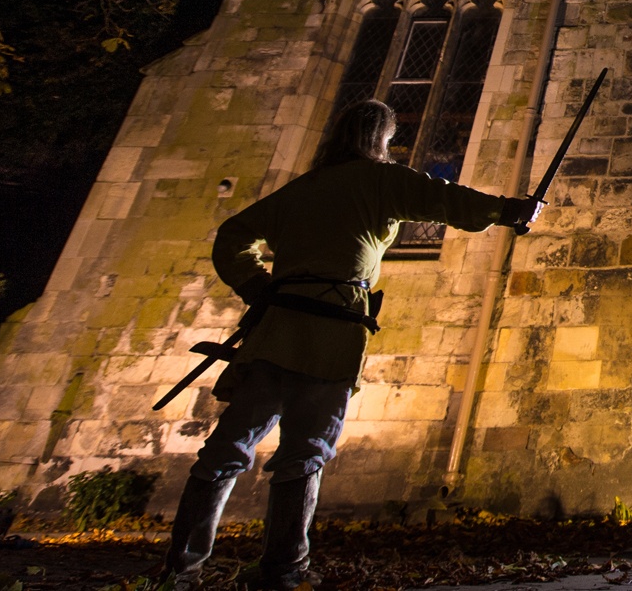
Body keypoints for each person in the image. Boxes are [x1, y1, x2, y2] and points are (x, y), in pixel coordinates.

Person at [162, 100, 540, 590]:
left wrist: (258, 287)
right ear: (380, 139)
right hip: (330, 332)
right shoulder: (379, 181)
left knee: (227, 449)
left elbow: (232, 237)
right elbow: (448, 200)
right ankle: (284, 571)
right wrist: (509, 210)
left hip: (275, 329)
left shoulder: (305, 188)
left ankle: (182, 570)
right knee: (305, 450)